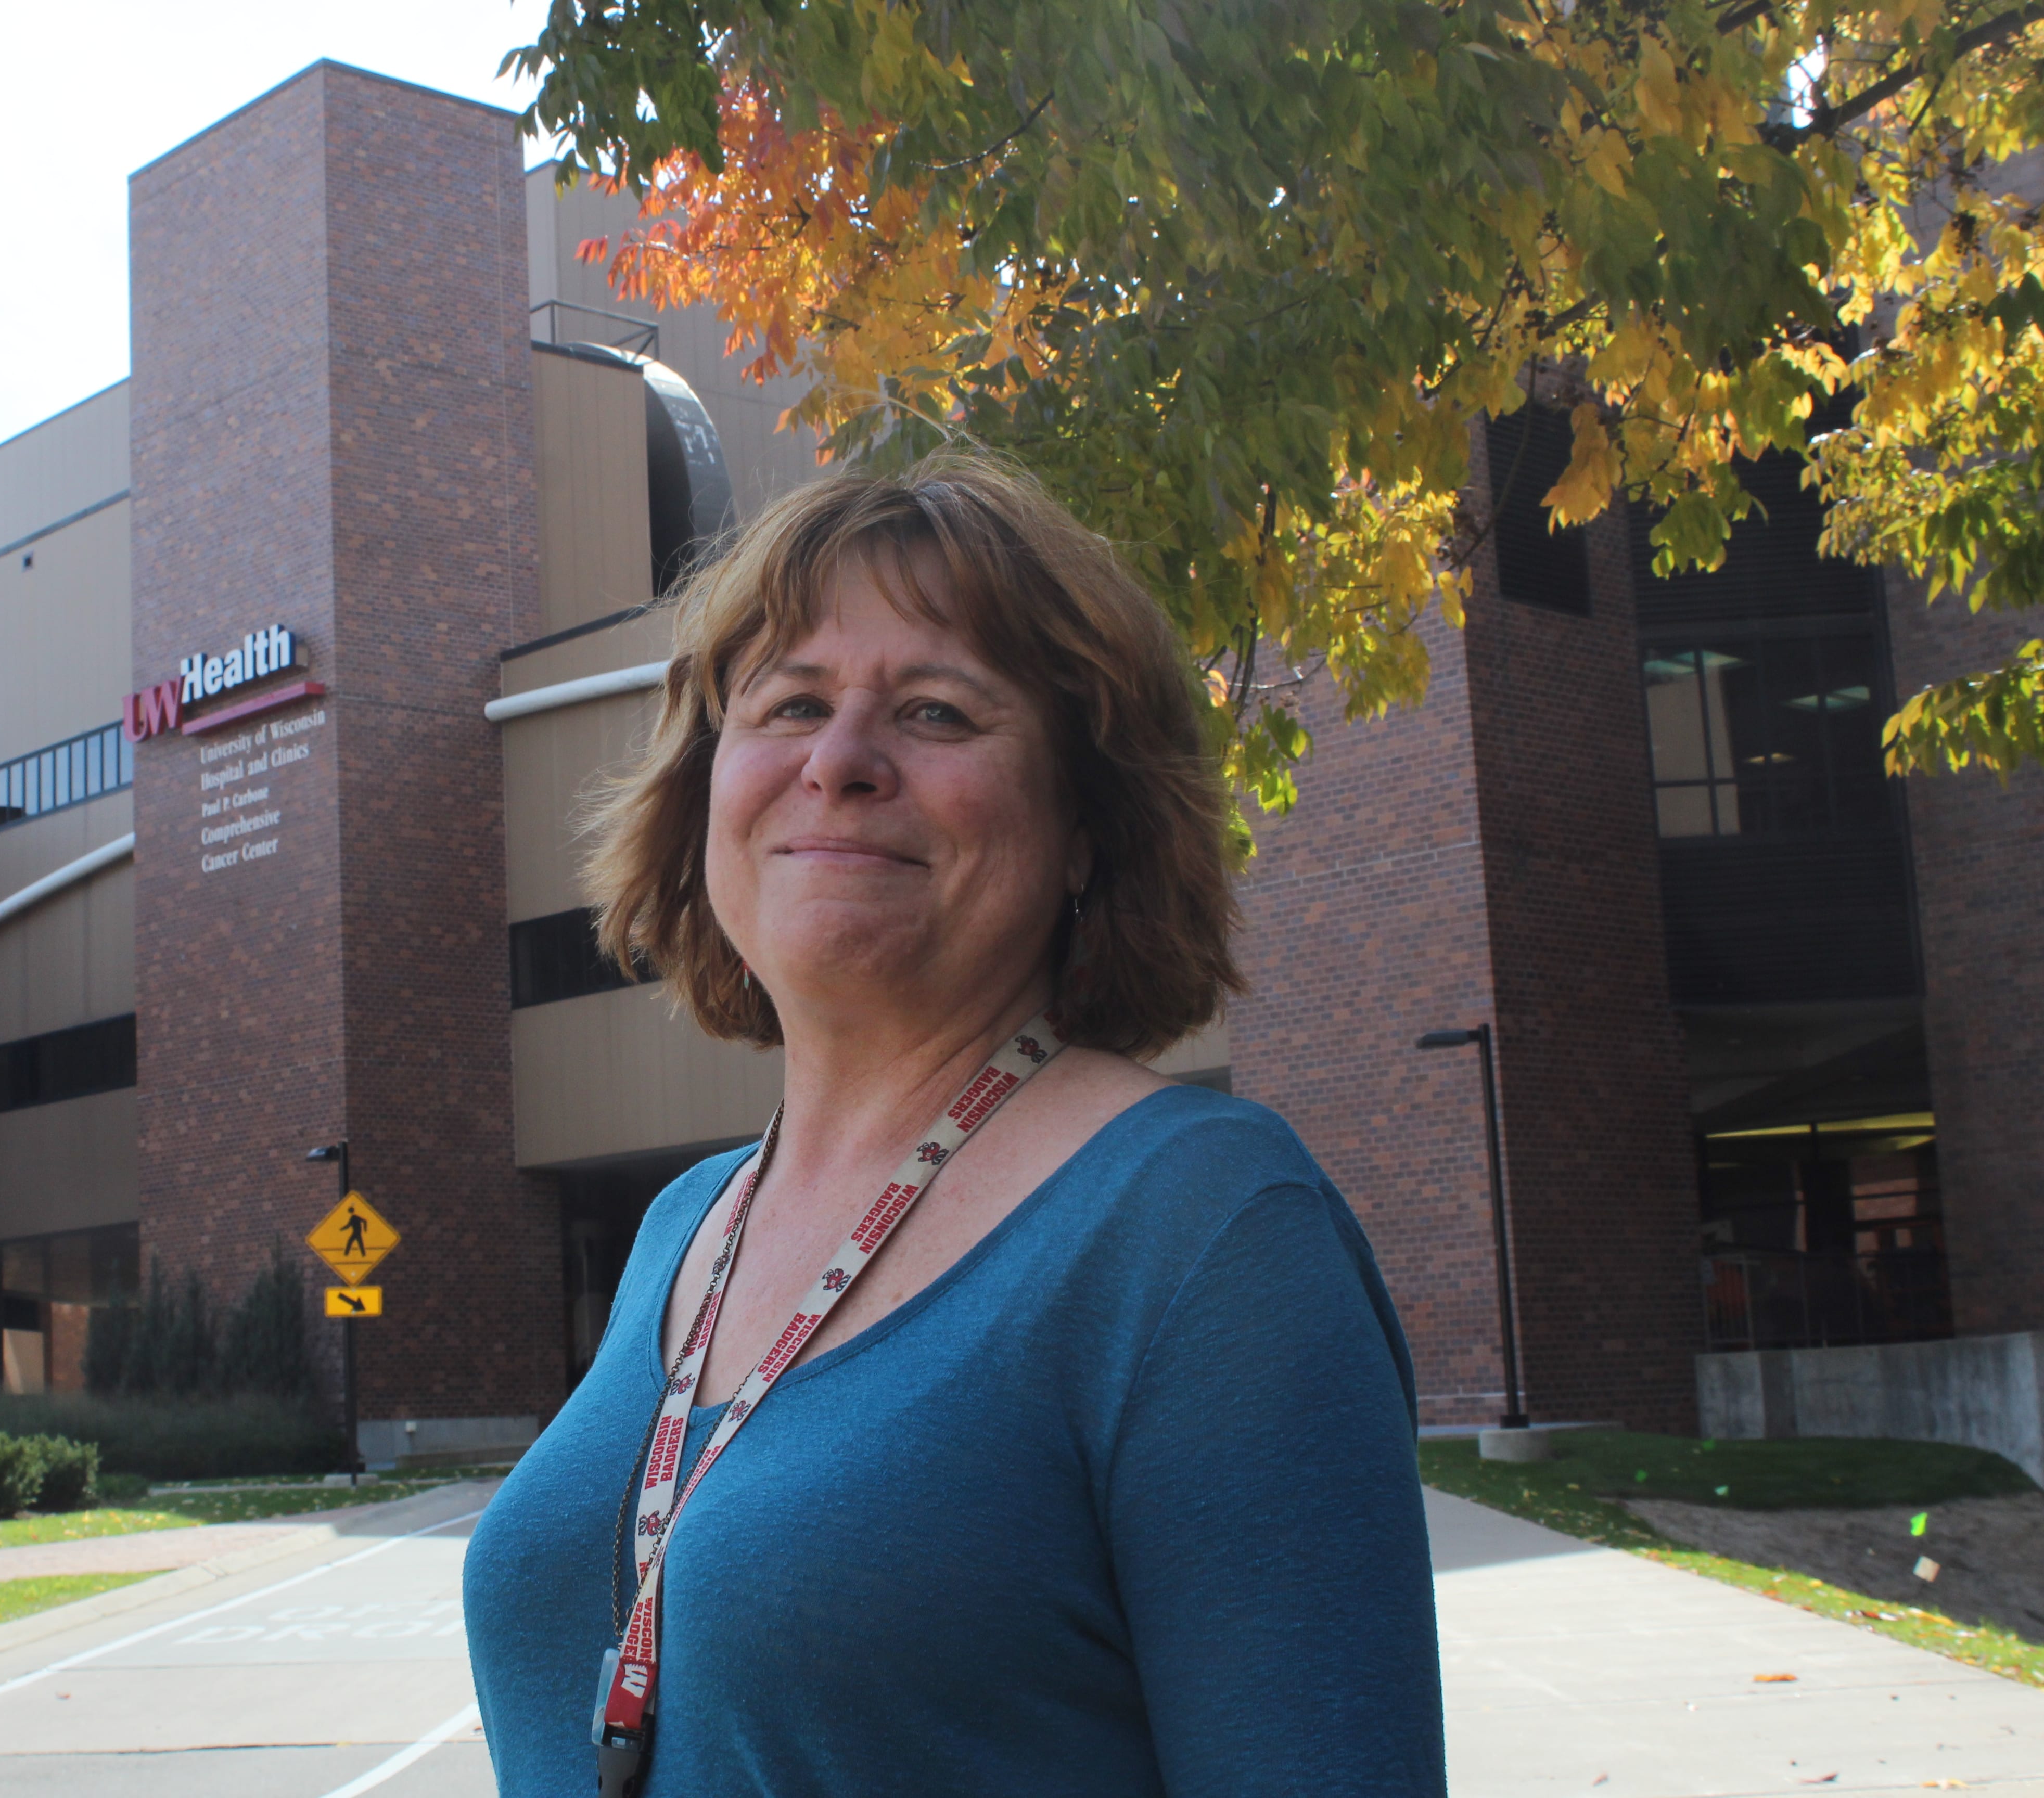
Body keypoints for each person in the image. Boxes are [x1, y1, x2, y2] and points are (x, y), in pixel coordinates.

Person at [462, 454, 1444, 1796]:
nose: (840, 762)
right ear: (708, 796)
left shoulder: (1204, 1238)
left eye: (934, 712)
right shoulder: (681, 1234)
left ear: (1086, 827)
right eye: (789, 704)